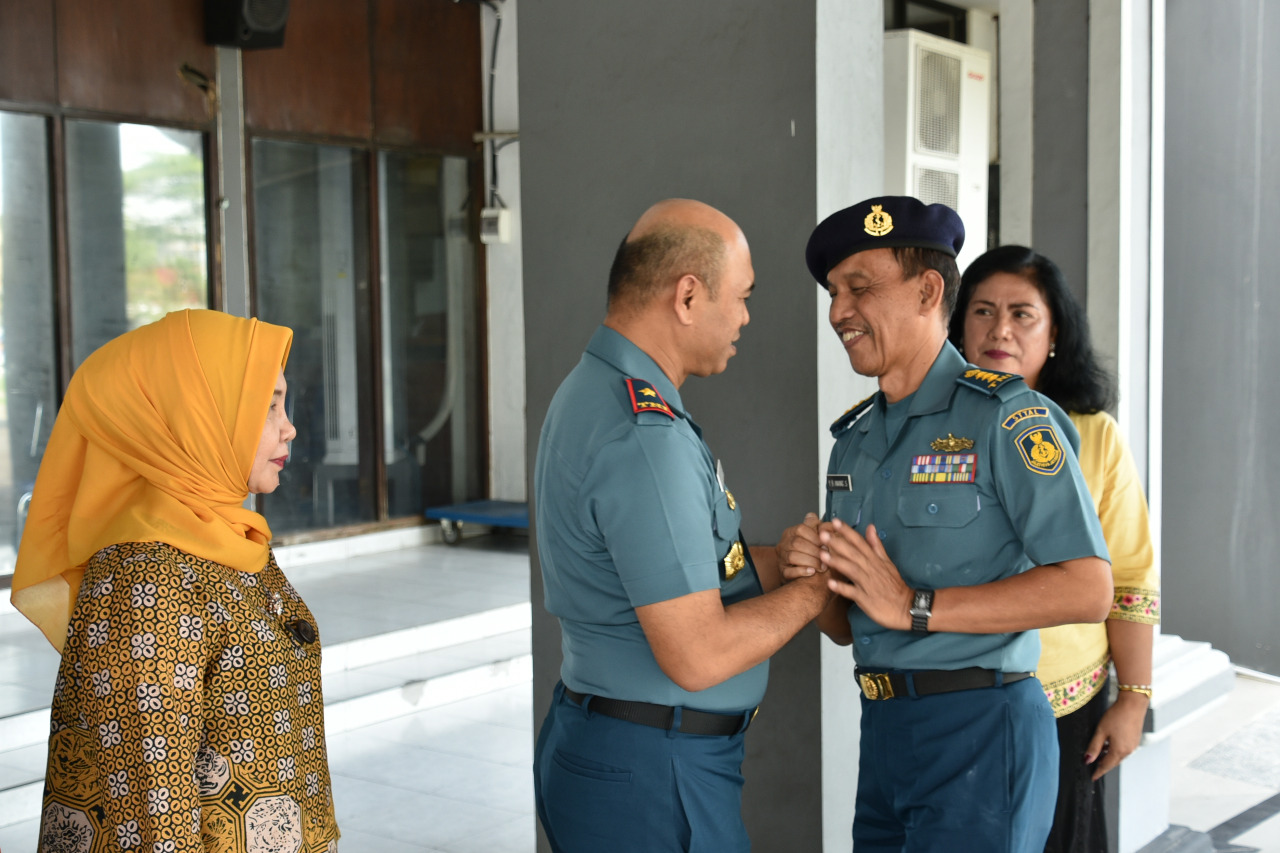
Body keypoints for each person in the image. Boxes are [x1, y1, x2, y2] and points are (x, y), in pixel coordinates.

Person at [781, 196, 1113, 852]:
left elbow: (1087, 586)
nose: (837, 311)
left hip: (982, 728)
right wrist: (816, 579)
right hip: (884, 729)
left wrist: (916, 604)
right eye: (833, 293)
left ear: (929, 289)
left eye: (858, 288)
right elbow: (854, 627)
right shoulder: (853, 440)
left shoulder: (1008, 419)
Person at [533, 198, 834, 853]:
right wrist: (813, 593)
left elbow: (672, 566)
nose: (746, 317)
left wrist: (779, 559)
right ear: (689, 296)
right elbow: (696, 654)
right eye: (742, 296)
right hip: (654, 776)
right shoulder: (645, 436)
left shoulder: (593, 390)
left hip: (617, 747)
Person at [11, 309, 340, 852]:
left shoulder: (224, 534)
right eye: (269, 406)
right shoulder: (144, 578)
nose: (290, 427)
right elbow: (150, 811)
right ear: (198, 419)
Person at [950, 245, 1160, 853]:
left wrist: (1134, 699)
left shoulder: (1093, 437)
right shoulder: (933, 426)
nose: (1001, 331)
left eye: (1023, 315)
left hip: (1065, 707)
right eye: (983, 312)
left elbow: (1131, 576)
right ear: (960, 325)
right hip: (956, 702)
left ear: (1054, 333)